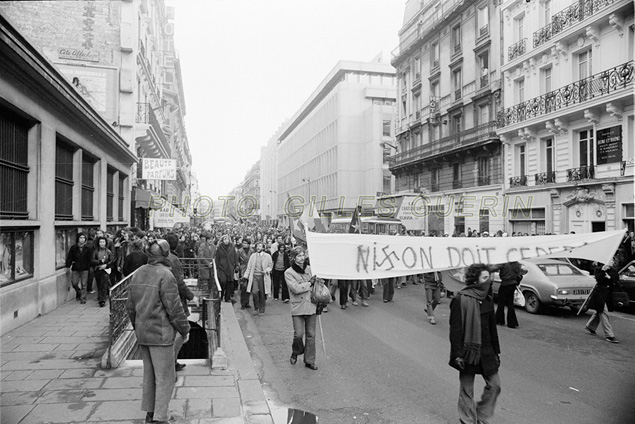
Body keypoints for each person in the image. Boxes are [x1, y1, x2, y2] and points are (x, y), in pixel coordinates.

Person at [126, 239, 190, 424]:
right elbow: (174, 308)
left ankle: (150, 413)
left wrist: (137, 326)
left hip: (143, 332)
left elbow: (130, 306)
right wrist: (185, 329)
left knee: (149, 376)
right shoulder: (166, 275)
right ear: (165, 254)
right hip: (161, 335)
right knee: (165, 377)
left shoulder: (138, 274)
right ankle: (160, 418)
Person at [449, 263, 501, 424]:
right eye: (485, 278)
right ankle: (468, 420)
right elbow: (455, 330)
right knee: (467, 389)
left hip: (486, 351)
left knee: (495, 385)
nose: (488, 281)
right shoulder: (460, 299)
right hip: (467, 352)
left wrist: (496, 351)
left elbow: (492, 328)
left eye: (489, 278)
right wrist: (458, 355)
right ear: (475, 280)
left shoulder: (488, 299)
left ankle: (481, 415)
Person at [285, 246, 318, 371]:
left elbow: (317, 284)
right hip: (298, 306)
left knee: (311, 334)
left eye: (303, 255)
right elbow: (295, 288)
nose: (302, 257)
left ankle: (310, 360)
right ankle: (296, 351)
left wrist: (318, 281)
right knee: (298, 334)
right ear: (293, 258)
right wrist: (310, 283)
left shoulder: (310, 269)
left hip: (311, 304)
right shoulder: (288, 272)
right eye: (299, 255)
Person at [166, 233, 195, 371]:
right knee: (183, 332)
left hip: (162, 300)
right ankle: (171, 363)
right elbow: (178, 282)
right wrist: (191, 296)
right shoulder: (173, 259)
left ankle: (172, 361)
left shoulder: (157, 259)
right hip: (175, 300)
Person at [585, 257, 622, 343]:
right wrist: (603, 271)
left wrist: (609, 278)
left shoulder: (613, 271)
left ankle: (590, 326)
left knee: (600, 311)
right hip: (599, 294)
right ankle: (609, 335)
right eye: (610, 260)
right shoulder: (599, 269)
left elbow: (616, 282)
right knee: (604, 312)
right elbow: (598, 279)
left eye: (613, 260)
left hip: (608, 295)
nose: (612, 262)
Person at [495, 261, 526, 328]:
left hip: (504, 284)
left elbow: (494, 268)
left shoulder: (504, 263)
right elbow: (520, 273)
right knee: (510, 303)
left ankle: (499, 319)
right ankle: (512, 322)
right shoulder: (517, 264)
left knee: (501, 303)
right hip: (513, 284)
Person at [245, 241, 273, 316]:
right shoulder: (253, 256)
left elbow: (270, 266)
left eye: (260, 246)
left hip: (263, 277)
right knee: (254, 292)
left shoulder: (267, 256)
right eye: (257, 246)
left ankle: (261, 309)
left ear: (263, 248)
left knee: (262, 293)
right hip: (254, 276)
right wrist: (245, 276)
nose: (258, 247)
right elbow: (249, 267)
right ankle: (256, 307)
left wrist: (266, 271)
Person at [65, 232, 93, 304]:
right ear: (78, 239)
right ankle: (79, 292)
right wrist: (68, 266)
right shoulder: (73, 248)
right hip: (76, 268)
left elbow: (90, 259)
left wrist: (91, 267)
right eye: (81, 238)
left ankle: (83, 298)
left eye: (84, 238)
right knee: (74, 283)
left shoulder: (88, 248)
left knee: (84, 284)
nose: (82, 239)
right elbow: (69, 257)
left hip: (85, 268)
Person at [92, 236, 114, 307]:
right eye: (100, 242)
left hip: (105, 270)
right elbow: (92, 261)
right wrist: (100, 262)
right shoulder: (96, 251)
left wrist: (106, 265)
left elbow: (112, 261)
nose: (102, 243)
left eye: (103, 242)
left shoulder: (108, 252)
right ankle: (102, 296)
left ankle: (102, 300)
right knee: (99, 285)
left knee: (103, 284)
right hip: (97, 270)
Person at [216, 235, 238, 303]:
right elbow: (217, 258)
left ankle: (227, 297)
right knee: (223, 281)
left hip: (230, 267)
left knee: (229, 282)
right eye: (225, 239)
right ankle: (221, 296)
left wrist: (236, 265)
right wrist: (216, 267)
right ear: (222, 240)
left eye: (227, 239)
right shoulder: (220, 248)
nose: (226, 241)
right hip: (222, 267)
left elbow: (235, 256)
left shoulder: (232, 247)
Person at [237, 239, 254, 309]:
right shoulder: (239, 251)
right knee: (243, 286)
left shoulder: (252, 251)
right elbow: (237, 260)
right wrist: (239, 267)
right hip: (243, 268)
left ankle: (247, 302)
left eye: (246, 243)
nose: (244, 244)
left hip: (250, 268)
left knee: (249, 286)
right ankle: (243, 303)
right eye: (243, 243)